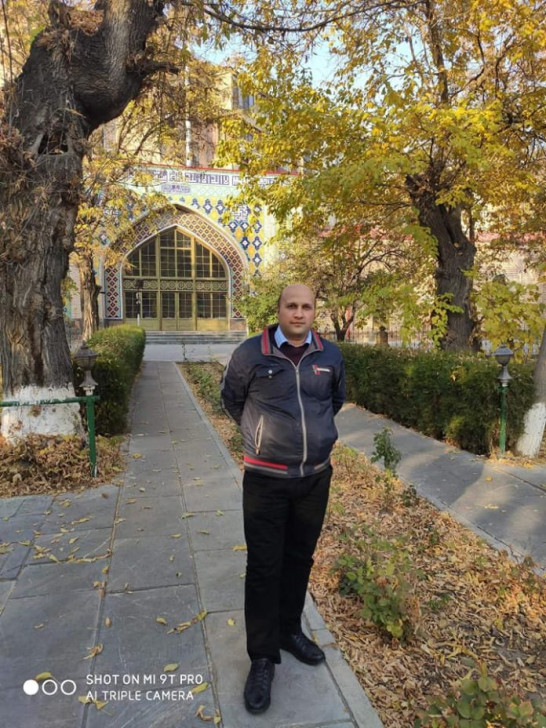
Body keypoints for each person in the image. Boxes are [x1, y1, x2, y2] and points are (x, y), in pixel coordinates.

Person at [221, 284, 346, 714]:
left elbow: (334, 402)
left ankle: (289, 630)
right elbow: (231, 400)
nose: (299, 313)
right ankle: (262, 657)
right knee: (263, 567)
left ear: (314, 311)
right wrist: (262, 438)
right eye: (291, 306)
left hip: (314, 477)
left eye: (306, 306)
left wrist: (315, 440)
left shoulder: (330, 355)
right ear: (278, 310)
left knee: (299, 559)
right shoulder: (249, 354)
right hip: (266, 480)